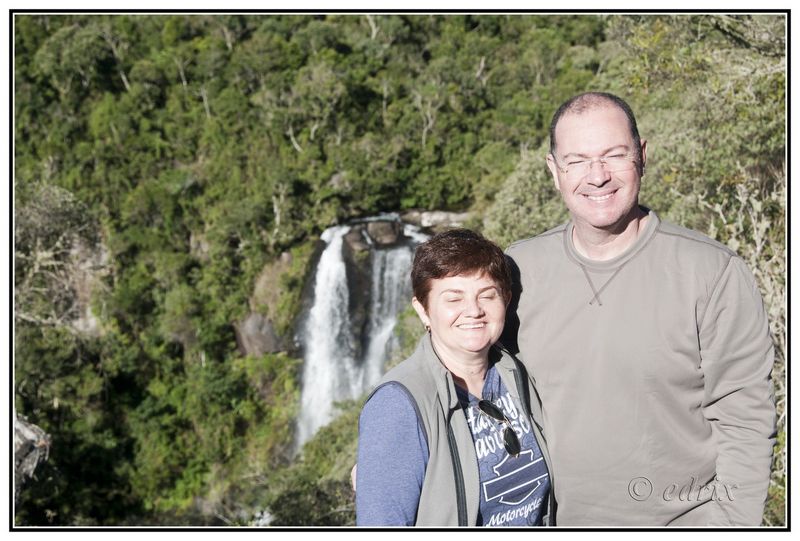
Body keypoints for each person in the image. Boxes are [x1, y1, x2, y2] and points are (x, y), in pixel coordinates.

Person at [504, 91, 776, 526]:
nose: (597, 176)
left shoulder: (712, 272)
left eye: (614, 155)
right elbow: (460, 368)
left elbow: (745, 419)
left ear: (642, 156)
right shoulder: (517, 270)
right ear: (554, 171)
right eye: (577, 160)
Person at [356, 229, 554, 526]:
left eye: (487, 295)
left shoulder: (518, 372)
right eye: (453, 298)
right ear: (423, 310)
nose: (473, 310)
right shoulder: (398, 405)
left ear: (506, 299)